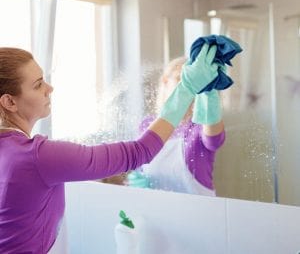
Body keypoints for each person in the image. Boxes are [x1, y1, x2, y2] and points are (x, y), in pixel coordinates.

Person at [0, 44, 218, 253]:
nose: (50, 88)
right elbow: (138, 152)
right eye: (38, 84)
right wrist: (187, 89)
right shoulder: (37, 156)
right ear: (9, 102)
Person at [127, 55, 225, 196]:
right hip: (157, 211)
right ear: (165, 82)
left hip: (199, 213)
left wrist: (209, 91)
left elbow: (214, 140)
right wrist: (136, 182)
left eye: (194, 81)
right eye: (181, 78)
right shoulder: (147, 124)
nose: (188, 87)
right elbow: (140, 167)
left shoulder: (199, 125)